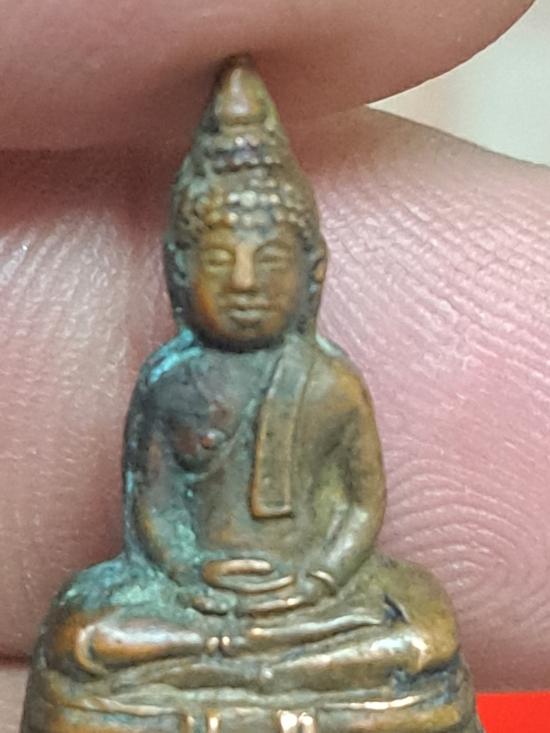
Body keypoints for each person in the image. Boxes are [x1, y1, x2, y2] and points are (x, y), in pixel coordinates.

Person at [0, 2, 546, 730]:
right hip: (198, 601)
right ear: (178, 270)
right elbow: (153, 507)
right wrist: (191, 577)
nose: (246, 281)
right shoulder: (171, 382)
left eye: (269, 259)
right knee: (85, 635)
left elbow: (358, 505)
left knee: (419, 635)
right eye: (221, 260)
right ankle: (249, 675)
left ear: (312, 272)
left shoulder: (329, 382)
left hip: (310, 604)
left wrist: (315, 578)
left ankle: (235, 680)